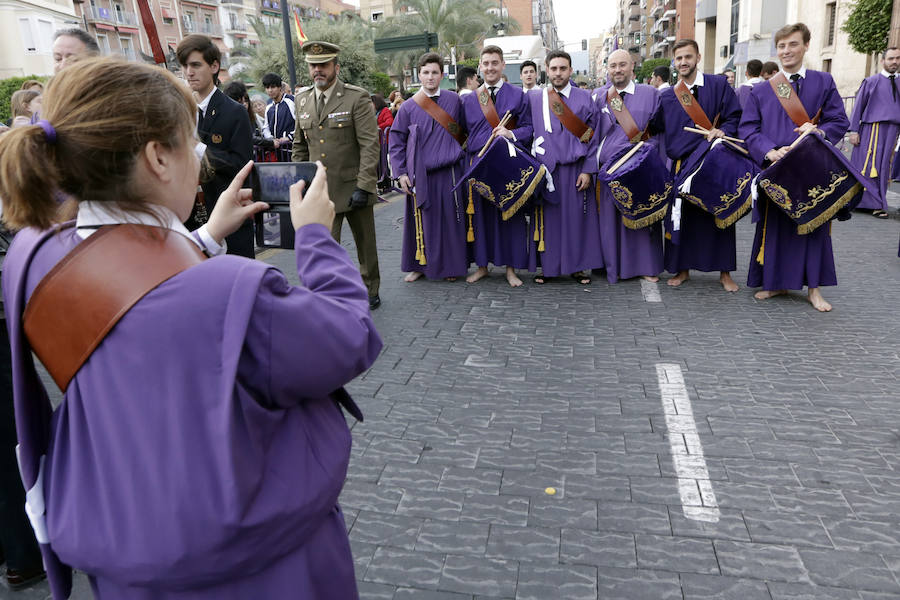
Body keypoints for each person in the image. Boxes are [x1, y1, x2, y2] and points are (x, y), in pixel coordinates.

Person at [0, 56, 381, 600]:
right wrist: (317, 239)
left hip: (120, 543)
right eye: (192, 142)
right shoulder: (233, 292)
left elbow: (126, 290)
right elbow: (346, 335)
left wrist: (200, 237)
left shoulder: (35, 254)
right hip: (254, 563)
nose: (200, 156)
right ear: (158, 156)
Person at [739, 23, 850, 312]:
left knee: (814, 228)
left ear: (805, 46)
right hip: (778, 170)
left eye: (793, 44)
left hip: (813, 169)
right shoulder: (762, 90)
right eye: (782, 46)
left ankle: (814, 290)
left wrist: (819, 133)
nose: (787, 51)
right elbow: (749, 129)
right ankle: (775, 283)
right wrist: (770, 151)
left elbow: (838, 121)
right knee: (775, 229)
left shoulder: (823, 82)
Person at [292, 41, 382, 310]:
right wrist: (300, 183)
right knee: (325, 247)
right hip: (320, 192)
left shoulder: (356, 97)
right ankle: (331, 292)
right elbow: (300, 146)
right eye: (313, 66)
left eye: (323, 65)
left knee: (365, 244)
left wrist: (365, 185)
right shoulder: (302, 99)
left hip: (354, 185)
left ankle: (370, 289)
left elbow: (369, 144)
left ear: (335, 67)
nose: (318, 70)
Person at [650, 38, 742, 292]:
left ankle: (725, 273)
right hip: (681, 166)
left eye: (687, 57)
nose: (683, 62)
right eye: (678, 58)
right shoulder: (668, 95)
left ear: (698, 58)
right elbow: (656, 125)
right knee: (683, 220)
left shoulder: (719, 85)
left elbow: (735, 116)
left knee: (721, 216)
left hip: (713, 163)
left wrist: (723, 130)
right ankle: (682, 270)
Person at [389, 52, 468, 282]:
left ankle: (452, 267)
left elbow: (466, 133)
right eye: (426, 72)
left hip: (451, 172)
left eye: (435, 72)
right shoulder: (408, 107)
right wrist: (401, 173)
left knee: (451, 221)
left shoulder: (454, 101)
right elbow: (396, 141)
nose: (430, 77)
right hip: (419, 175)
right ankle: (419, 265)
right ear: (419, 75)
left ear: (442, 75)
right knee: (420, 221)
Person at [460, 45, 533, 287]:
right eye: (486, 63)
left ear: (503, 66)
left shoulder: (518, 95)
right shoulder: (470, 100)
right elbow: (462, 135)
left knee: (509, 216)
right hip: (480, 166)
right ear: (480, 67)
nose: (490, 67)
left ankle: (510, 270)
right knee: (481, 218)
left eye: (495, 62)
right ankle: (482, 266)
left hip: (508, 166)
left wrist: (510, 135)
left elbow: (529, 129)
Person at [527, 49, 602, 284]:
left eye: (562, 68)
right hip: (546, 169)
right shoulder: (535, 98)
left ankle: (578, 267)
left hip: (576, 169)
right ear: (547, 71)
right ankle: (547, 268)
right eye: (553, 69)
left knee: (577, 220)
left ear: (570, 70)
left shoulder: (584, 98)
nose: (558, 73)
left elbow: (593, 137)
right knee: (547, 221)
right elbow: (526, 129)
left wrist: (588, 170)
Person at [177, 34, 254, 257]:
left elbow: (241, 164)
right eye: (184, 66)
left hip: (228, 218)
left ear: (214, 66)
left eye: (195, 65)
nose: (189, 72)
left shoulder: (234, 112)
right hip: (190, 222)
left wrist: (198, 148)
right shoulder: (180, 112)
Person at [594, 49, 664, 284]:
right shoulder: (598, 96)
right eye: (613, 66)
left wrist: (647, 156)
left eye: (622, 65)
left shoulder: (651, 94)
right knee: (610, 223)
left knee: (642, 222)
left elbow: (658, 132)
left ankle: (644, 266)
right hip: (608, 173)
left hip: (638, 169)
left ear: (632, 66)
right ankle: (612, 266)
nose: (617, 70)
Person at [848, 47, 900, 219]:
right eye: (891, 58)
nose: (895, 62)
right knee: (868, 165)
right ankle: (865, 202)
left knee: (885, 167)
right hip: (872, 129)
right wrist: (854, 130)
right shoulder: (871, 81)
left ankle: (877, 202)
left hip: (893, 131)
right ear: (883, 61)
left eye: (898, 58)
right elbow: (858, 106)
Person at [223, 81, 272, 148]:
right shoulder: (232, 118)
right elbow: (247, 137)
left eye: (246, 100)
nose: (244, 102)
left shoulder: (246, 116)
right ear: (239, 98)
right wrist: (270, 142)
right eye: (243, 97)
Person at [262, 73, 296, 152]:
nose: (270, 90)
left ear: (280, 87)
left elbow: (301, 123)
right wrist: (271, 140)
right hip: (276, 152)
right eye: (267, 87)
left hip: (292, 150)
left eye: (273, 87)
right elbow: (265, 127)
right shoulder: (268, 108)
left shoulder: (291, 101)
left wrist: (289, 137)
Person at [372, 93, 393, 193]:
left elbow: (389, 122)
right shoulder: (372, 112)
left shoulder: (385, 111)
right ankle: (381, 184)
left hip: (384, 141)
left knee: (382, 163)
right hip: (376, 142)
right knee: (378, 163)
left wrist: (378, 127)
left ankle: (386, 184)